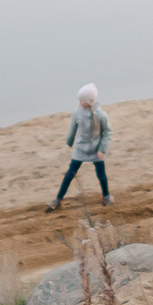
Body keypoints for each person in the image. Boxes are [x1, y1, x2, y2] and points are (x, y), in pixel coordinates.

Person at [48, 83, 114, 212]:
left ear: (88, 101)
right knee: (70, 174)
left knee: (101, 175)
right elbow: (72, 130)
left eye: (81, 99)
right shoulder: (77, 114)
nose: (79, 101)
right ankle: (58, 199)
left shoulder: (101, 115)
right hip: (80, 150)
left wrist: (102, 149)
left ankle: (106, 196)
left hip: (96, 150)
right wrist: (69, 142)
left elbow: (108, 132)